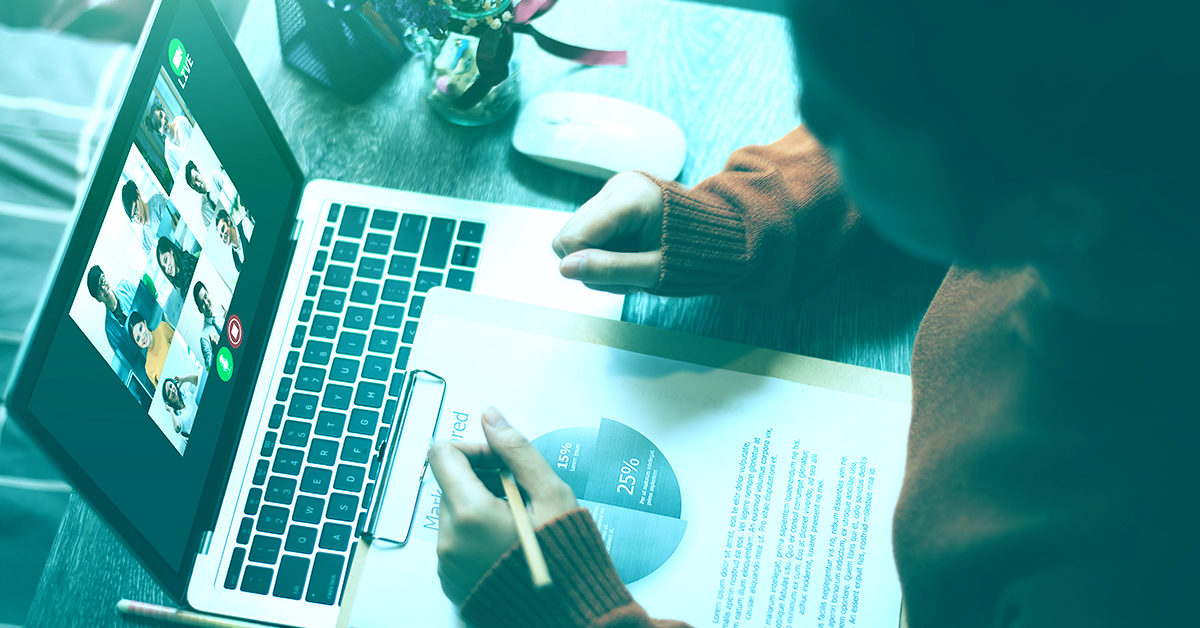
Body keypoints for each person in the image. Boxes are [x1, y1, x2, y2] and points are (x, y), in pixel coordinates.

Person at [426, 1, 1200, 627]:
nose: (812, 127)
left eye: (844, 129)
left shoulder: (1117, 571)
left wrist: (569, 610)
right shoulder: (1127, 163)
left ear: (1055, 215)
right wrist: (742, 219)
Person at [85, 265, 146, 375]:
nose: (104, 288)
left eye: (102, 281)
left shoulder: (125, 287)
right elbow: (127, 359)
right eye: (99, 290)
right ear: (98, 299)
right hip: (145, 360)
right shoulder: (109, 330)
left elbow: (146, 305)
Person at [121, 179, 179, 256]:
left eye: (136, 210)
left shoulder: (157, 203)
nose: (137, 218)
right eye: (133, 218)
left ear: (138, 194)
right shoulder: (145, 242)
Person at [127, 311, 175, 387]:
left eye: (141, 329)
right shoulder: (148, 368)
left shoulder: (162, 328)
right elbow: (161, 390)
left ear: (145, 323)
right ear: (138, 344)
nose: (142, 337)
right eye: (138, 338)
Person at [145, 101, 193, 175]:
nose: (163, 122)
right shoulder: (168, 153)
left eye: (161, 115)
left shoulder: (181, 121)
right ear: (160, 132)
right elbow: (177, 177)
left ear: (164, 111)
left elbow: (198, 140)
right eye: (159, 125)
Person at [192, 281, 225, 368]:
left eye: (206, 296)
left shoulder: (223, 310)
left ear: (208, 293)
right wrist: (215, 352)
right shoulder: (204, 338)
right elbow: (209, 369)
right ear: (199, 309)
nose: (206, 303)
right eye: (202, 303)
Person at [160, 372, 199, 438]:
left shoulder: (186, 392)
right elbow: (177, 428)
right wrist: (171, 411)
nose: (172, 391)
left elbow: (196, 379)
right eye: (169, 393)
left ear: (174, 384)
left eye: (171, 386)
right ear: (168, 400)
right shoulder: (177, 416)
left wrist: (183, 379)